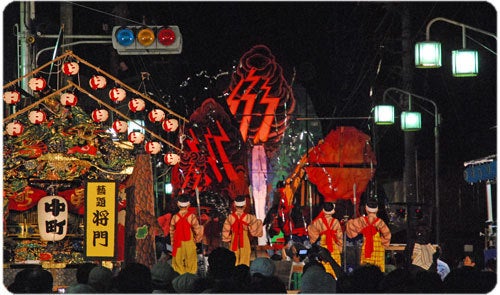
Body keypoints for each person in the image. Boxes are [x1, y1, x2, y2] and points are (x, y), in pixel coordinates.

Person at [346, 197, 391, 272]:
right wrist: (383, 244)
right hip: (378, 247)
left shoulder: (362, 221)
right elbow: (387, 235)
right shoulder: (380, 222)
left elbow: (350, 227)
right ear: (376, 210)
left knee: (366, 269)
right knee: (378, 270)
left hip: (366, 245)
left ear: (366, 209)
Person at [222, 195, 263, 266]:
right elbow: (255, 230)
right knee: (245, 262)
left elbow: (225, 232)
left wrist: (228, 240)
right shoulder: (249, 217)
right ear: (245, 205)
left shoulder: (230, 218)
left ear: (234, 205)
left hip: (234, 242)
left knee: (234, 261)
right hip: (245, 242)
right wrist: (258, 221)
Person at [169, 194, 204, 275]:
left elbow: (172, 231)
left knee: (177, 264)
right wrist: (197, 238)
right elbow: (197, 230)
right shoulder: (191, 217)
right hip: (189, 243)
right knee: (191, 263)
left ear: (178, 204)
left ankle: (180, 281)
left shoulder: (174, 217)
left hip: (178, 243)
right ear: (188, 205)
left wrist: (172, 243)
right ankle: (190, 282)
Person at [307, 201, 343, 278]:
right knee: (335, 265)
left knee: (325, 264)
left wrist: (314, 242)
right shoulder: (336, 222)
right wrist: (340, 248)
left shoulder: (318, 222)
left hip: (324, 247)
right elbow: (339, 236)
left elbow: (311, 230)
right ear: (333, 210)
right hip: (334, 246)